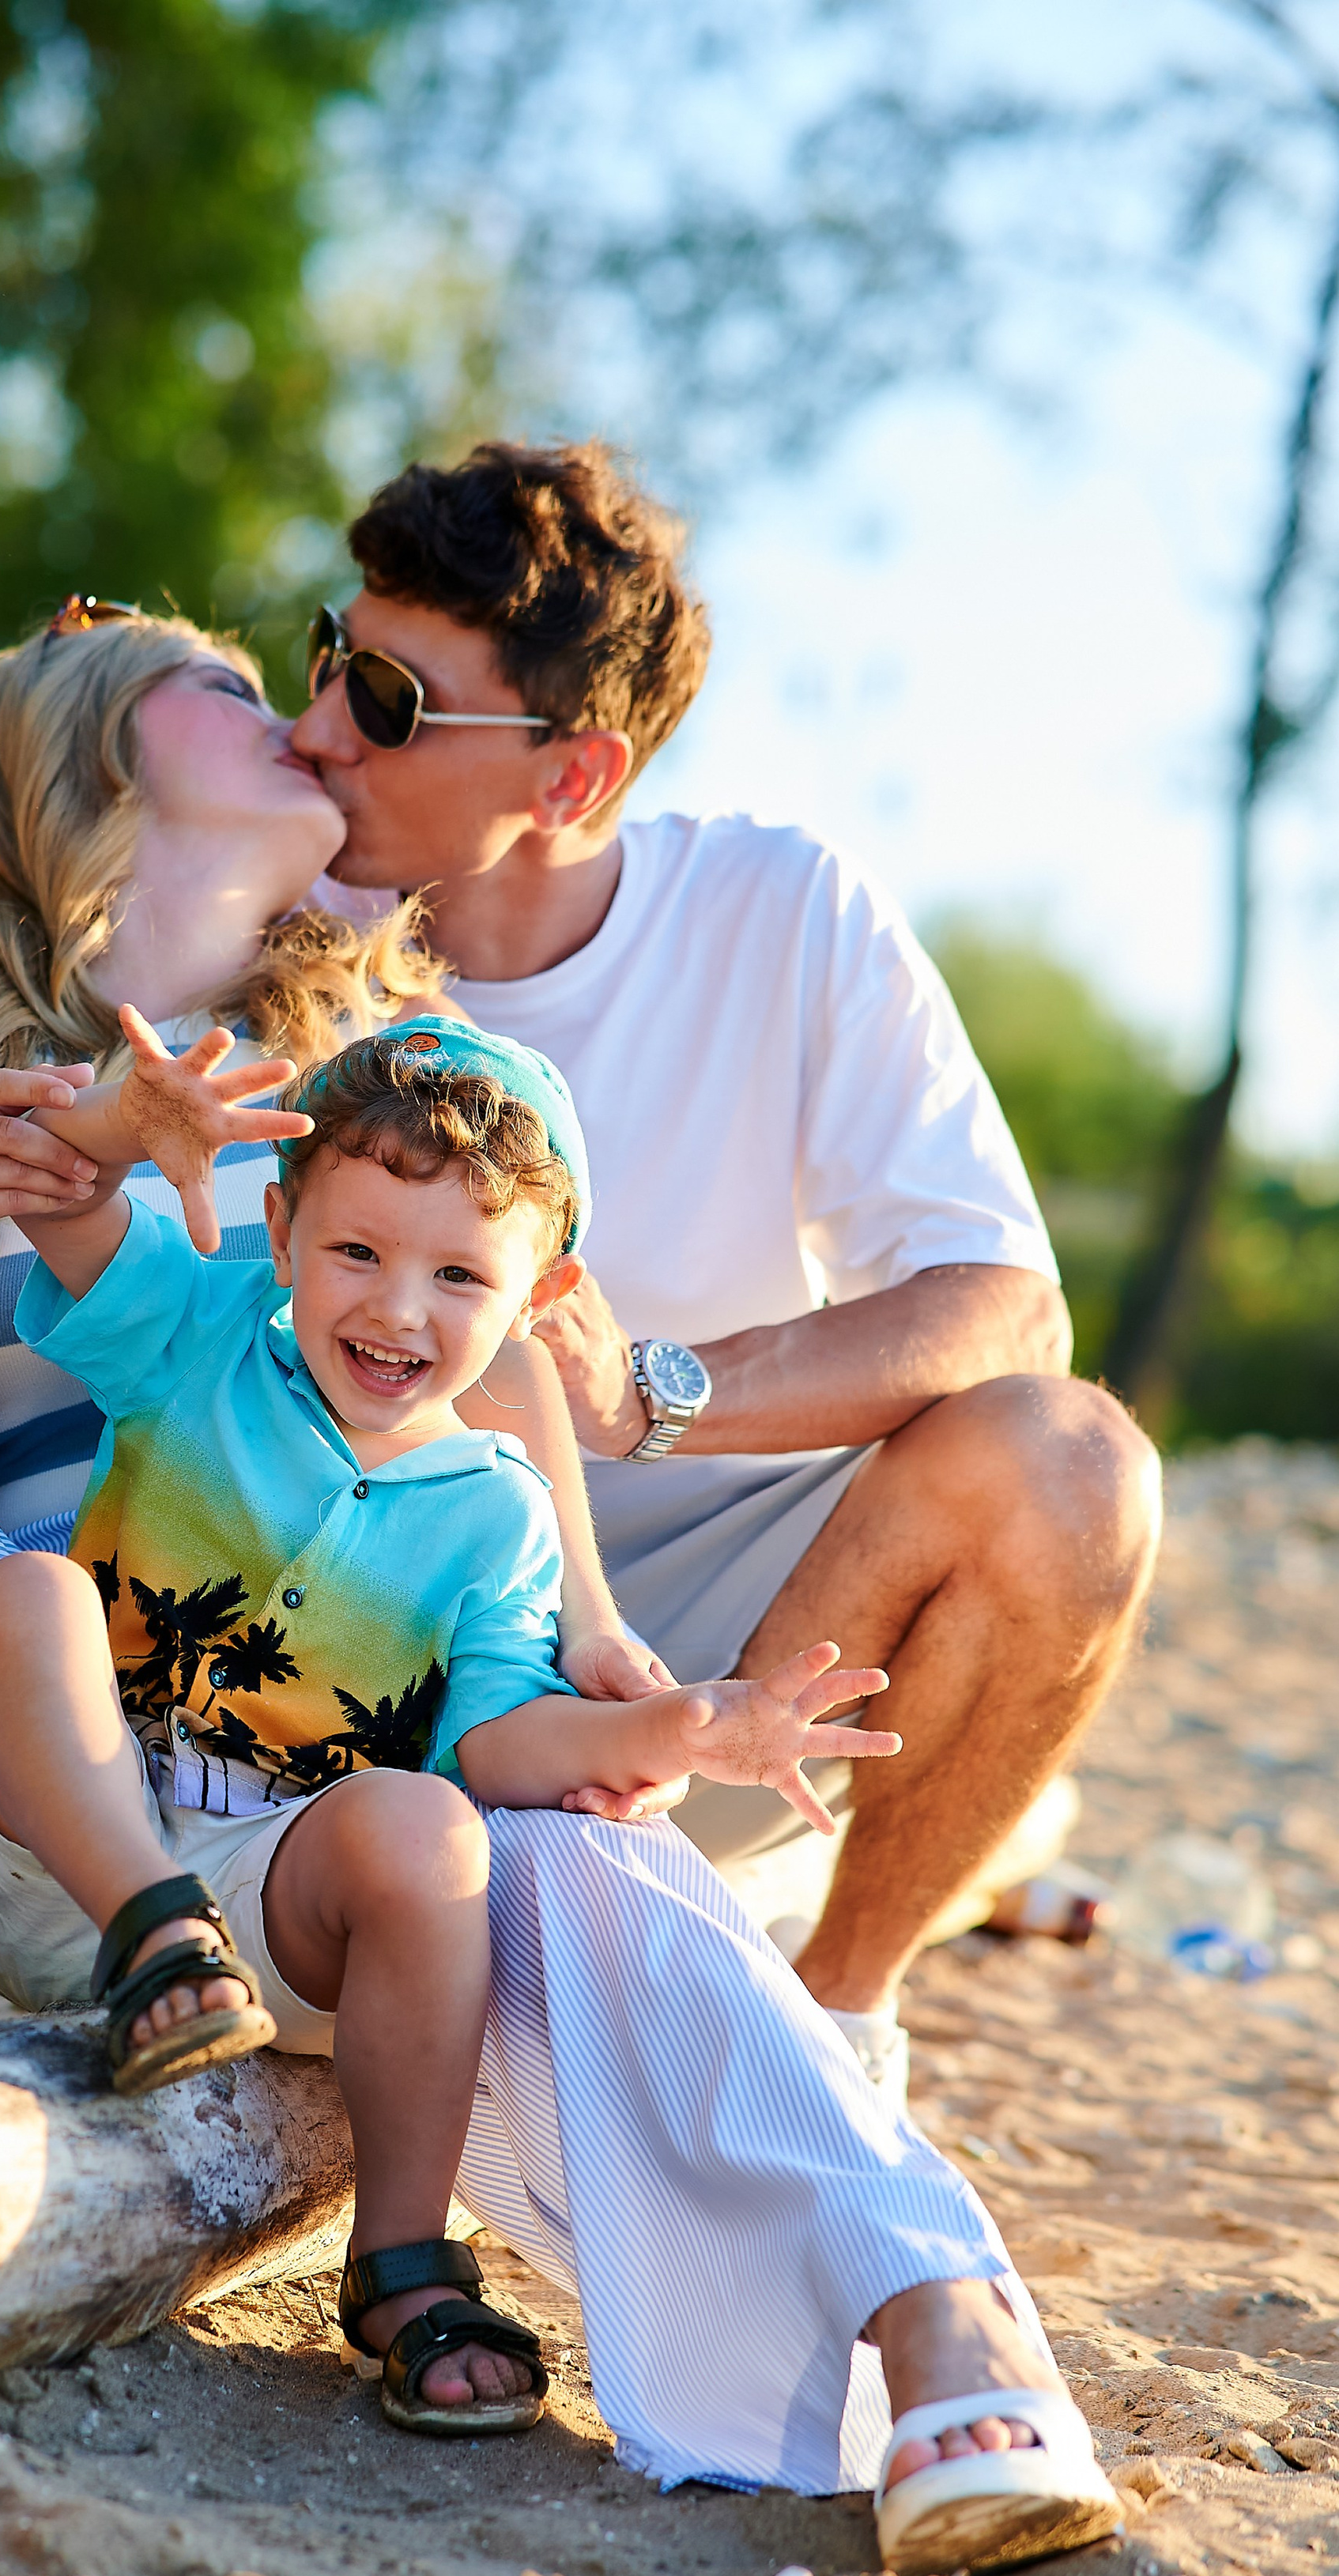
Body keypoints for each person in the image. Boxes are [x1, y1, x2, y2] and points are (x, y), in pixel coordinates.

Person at [0, 598, 1121, 2573]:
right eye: (233, 687)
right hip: (27, 1719)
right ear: (85, 750)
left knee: (571, 1846)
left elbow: (488, 1364)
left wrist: (591, 1627)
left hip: (318, 1757)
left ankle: (924, 2315)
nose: (309, 715)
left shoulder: (366, 1060)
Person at [283, 441, 1164, 2094]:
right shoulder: (259, 901)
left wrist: (647, 1395)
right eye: (329, 653)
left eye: (389, 701)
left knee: (1071, 1465)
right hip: (354, 1643)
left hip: (711, 1646)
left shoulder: (782, 909)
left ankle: (835, 2019)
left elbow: (1004, 1302)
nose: (318, 724)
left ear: (571, 779)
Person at [0, 1009, 898, 2434]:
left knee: (431, 1824)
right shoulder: (200, 1328)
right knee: (27, 1593)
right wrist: (118, 1126)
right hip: (51, 1851)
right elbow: (58, 1190)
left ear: (539, 1297)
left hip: (266, 1912)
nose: (399, 1310)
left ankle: (400, 2259)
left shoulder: (501, 1515)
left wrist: (680, 1731)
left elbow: (500, 1742)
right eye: (358, 1251)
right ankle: (150, 1930)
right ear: (280, 1232)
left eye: (459, 1274)